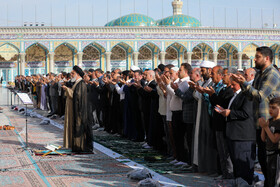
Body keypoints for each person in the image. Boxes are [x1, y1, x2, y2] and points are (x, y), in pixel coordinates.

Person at [232, 46, 280, 185]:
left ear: (267, 58)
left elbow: (260, 96)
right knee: (263, 157)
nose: (255, 59)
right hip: (260, 123)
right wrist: (243, 85)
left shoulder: (272, 74)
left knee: (270, 160)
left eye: (258, 56)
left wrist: (244, 83)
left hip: (270, 123)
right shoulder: (260, 73)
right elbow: (251, 95)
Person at [215, 77, 256, 185]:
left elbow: (246, 113)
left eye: (234, 85)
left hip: (243, 137)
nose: (231, 87)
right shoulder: (236, 95)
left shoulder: (247, 95)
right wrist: (224, 111)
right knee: (237, 166)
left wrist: (229, 113)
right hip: (234, 135)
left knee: (244, 168)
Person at [71, 65, 93, 152]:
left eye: (73, 73)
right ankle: (78, 147)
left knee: (83, 129)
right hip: (79, 111)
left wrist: (80, 114)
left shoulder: (81, 84)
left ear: (77, 74)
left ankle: (84, 148)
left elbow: (81, 101)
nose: (71, 75)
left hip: (82, 112)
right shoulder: (77, 84)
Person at [259, 97, 280, 187]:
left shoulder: (279, 122)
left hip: (276, 156)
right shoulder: (270, 120)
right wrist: (263, 127)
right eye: (270, 107)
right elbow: (263, 139)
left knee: (275, 179)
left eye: (273, 108)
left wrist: (266, 127)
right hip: (268, 154)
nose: (270, 110)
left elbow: (275, 140)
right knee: (269, 177)